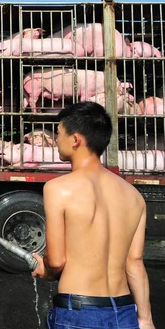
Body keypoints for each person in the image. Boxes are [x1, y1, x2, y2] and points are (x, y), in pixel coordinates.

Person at [31, 102, 155, 329]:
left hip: (79, 311)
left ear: (75, 139)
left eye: (58, 133)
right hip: (125, 311)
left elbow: (57, 261)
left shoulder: (59, 188)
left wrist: (45, 269)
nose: (56, 140)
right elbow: (134, 262)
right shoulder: (134, 196)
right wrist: (145, 319)